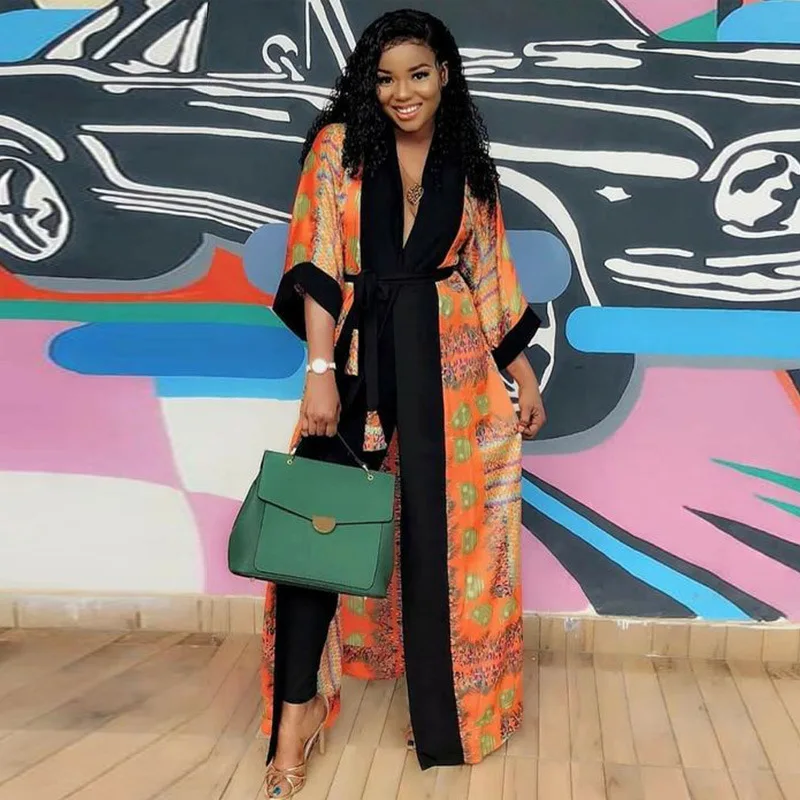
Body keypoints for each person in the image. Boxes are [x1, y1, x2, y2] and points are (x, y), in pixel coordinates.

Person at [262, 8, 546, 796]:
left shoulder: (467, 168)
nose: (402, 92)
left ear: (444, 75)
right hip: (358, 358)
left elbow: (491, 278)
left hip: (451, 373)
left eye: (418, 74)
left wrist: (524, 378)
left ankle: (443, 712)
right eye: (385, 79)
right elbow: (317, 257)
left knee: (440, 541)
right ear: (369, 85)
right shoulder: (339, 148)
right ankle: (296, 717)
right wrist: (320, 369)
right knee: (314, 536)